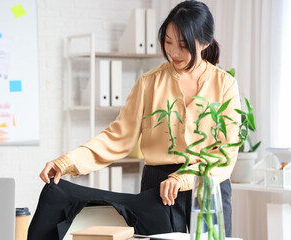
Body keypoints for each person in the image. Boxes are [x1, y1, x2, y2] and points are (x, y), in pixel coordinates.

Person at [32, 0, 240, 238]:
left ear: (205, 42)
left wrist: (184, 177)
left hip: (208, 185)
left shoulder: (225, 85)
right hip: (159, 188)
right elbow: (116, 138)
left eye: (183, 45)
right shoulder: (149, 83)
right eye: (168, 42)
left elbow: (226, 152)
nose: (173, 52)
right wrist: (66, 162)